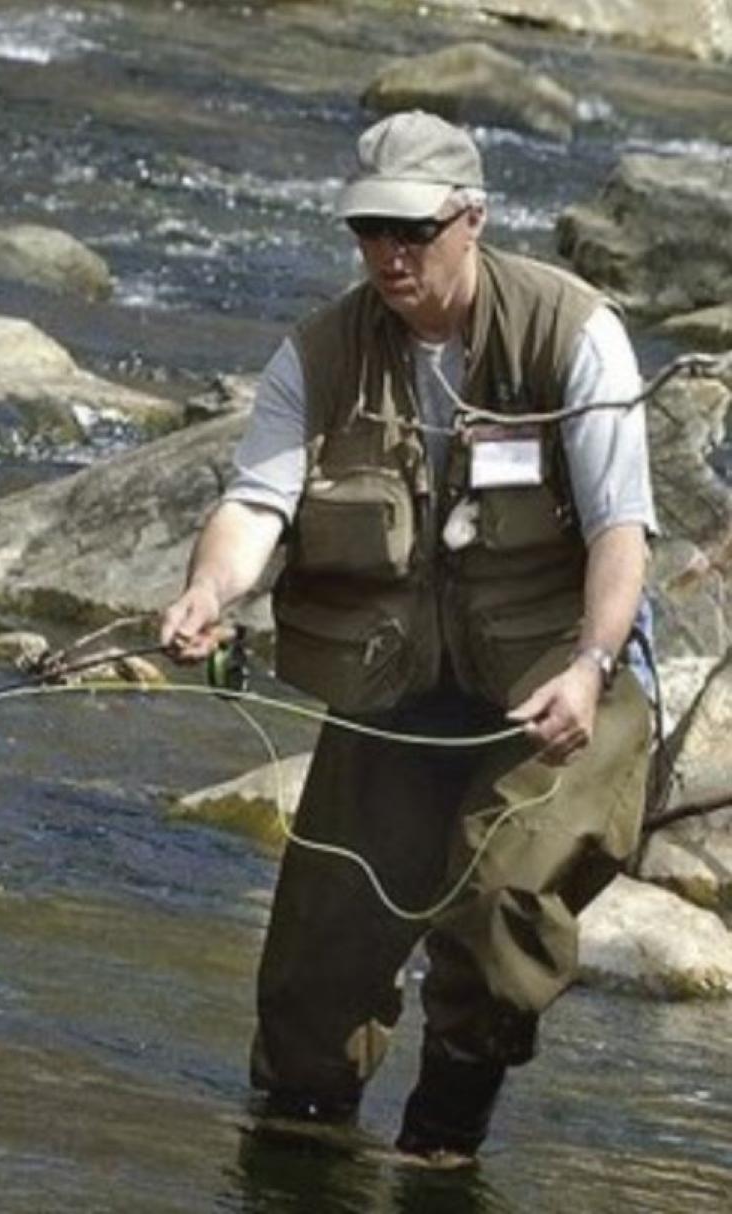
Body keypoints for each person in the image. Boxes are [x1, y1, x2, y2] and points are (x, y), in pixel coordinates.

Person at [159, 110, 655, 1162]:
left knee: (498, 905)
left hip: (556, 689)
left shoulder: (570, 332)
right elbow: (257, 503)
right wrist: (210, 588)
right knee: (310, 980)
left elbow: (620, 527)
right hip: (396, 699)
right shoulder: (320, 353)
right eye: (366, 230)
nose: (387, 253)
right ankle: (296, 1156)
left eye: (410, 230)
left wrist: (588, 663)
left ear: (470, 220)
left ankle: (442, 1138)